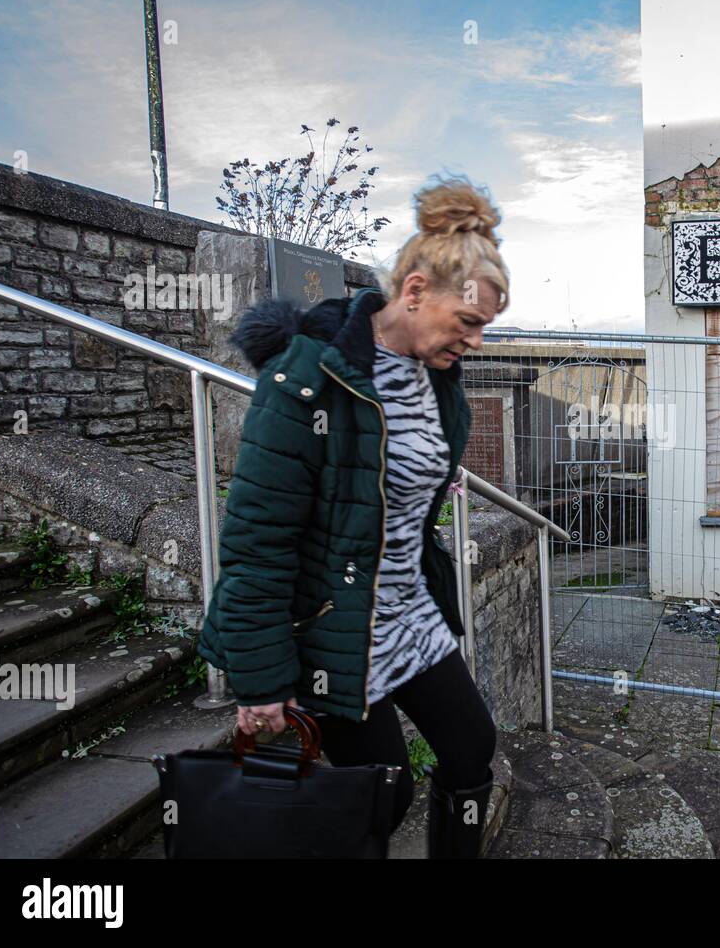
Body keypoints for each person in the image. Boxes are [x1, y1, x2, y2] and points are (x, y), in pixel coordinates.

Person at [196, 176, 510, 858]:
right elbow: (257, 540)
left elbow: (383, 465)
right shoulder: (306, 379)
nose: (478, 341)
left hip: (407, 608)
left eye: (485, 325)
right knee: (384, 792)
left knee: (470, 746)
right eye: (469, 321)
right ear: (416, 291)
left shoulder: (436, 377)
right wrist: (261, 679)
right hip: (334, 622)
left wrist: (422, 480)